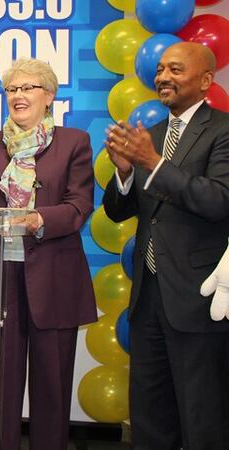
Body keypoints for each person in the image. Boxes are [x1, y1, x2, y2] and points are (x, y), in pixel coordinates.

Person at [103, 42, 229, 449]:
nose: (162, 77)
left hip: (198, 298)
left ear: (206, 80)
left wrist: (154, 164)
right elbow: (122, 212)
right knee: (149, 414)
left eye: (175, 69)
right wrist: (124, 174)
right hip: (148, 297)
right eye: (160, 70)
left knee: (201, 414)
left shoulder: (223, 130)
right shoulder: (150, 137)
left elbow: (218, 200)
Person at [0, 58, 97, 450]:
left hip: (54, 279)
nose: (18, 96)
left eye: (28, 88)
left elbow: (78, 206)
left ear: (49, 96)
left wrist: (39, 217)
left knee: (52, 389)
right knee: (2, 389)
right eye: (12, 89)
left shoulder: (73, 141)